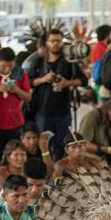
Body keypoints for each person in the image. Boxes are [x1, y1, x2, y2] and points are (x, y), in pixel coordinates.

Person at [29, 29, 87, 157]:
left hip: (63, 112)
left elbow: (84, 80)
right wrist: (44, 79)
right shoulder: (39, 62)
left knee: (63, 148)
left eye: (59, 41)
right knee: (44, 148)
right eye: (52, 41)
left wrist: (67, 83)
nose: (56, 44)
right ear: (47, 43)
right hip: (43, 112)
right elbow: (28, 81)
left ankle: (60, 175)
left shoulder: (69, 62)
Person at [0, 47, 31, 191]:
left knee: (17, 160)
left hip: (15, 123)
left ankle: (17, 190)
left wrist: (17, 90)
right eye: (3, 65)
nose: (6, 68)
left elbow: (28, 97)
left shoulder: (20, 74)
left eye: (10, 65)